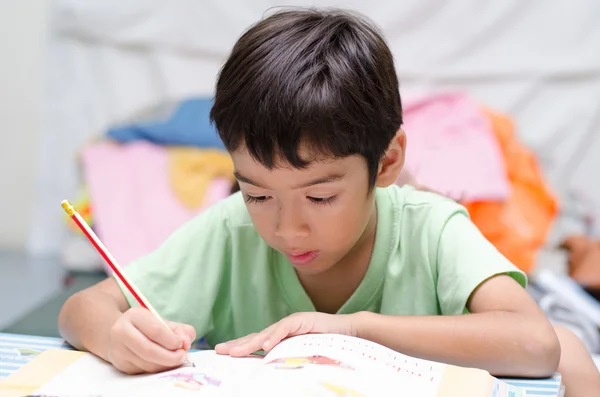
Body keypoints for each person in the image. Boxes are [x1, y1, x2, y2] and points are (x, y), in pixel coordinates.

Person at [58, 7, 600, 395]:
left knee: (574, 350)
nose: (287, 229)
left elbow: (535, 345)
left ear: (387, 163)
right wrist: (115, 334)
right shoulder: (230, 232)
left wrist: (356, 329)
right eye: (258, 193)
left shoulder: (431, 229)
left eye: (320, 196)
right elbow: (81, 310)